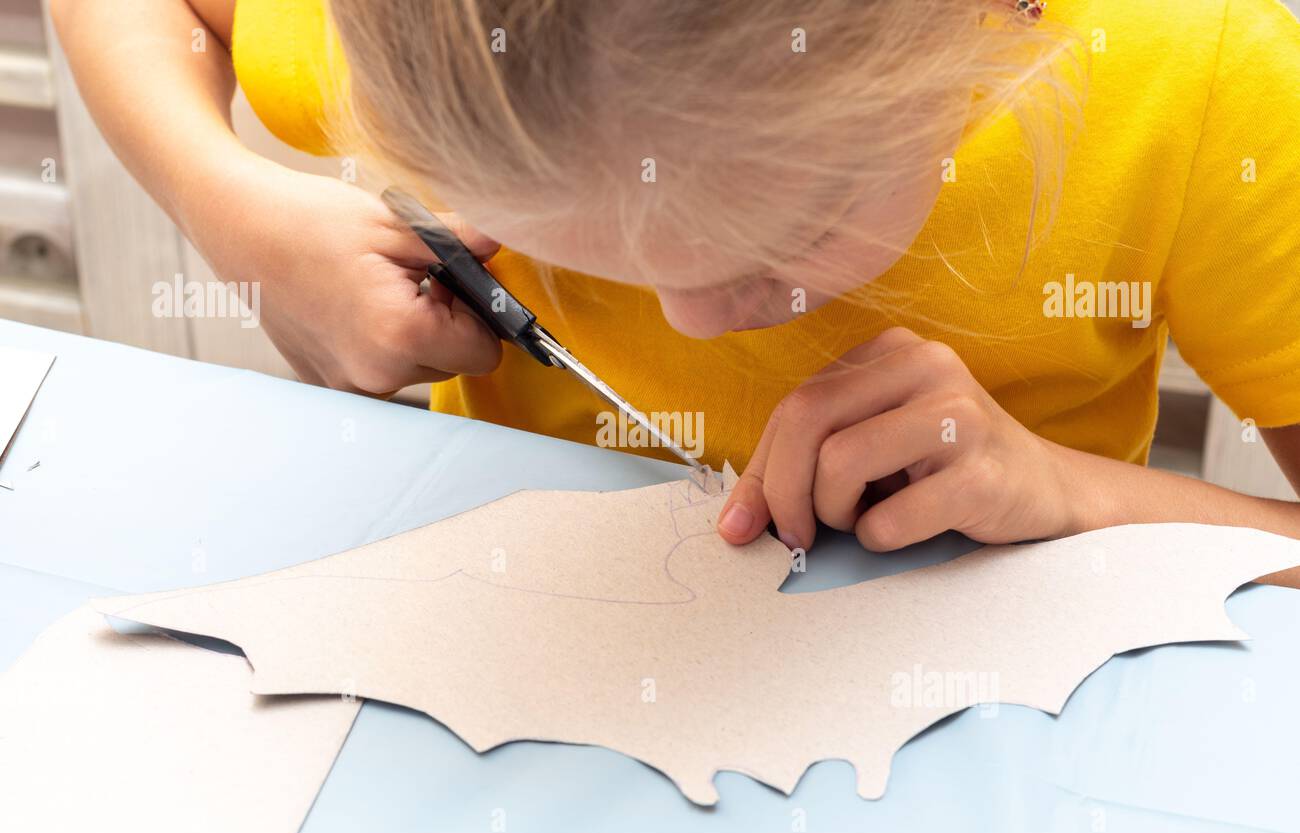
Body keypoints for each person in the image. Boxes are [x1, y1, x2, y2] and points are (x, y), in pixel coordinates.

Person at [51, 0, 1300, 584]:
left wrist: (1075, 492)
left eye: (793, 235)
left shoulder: (1206, 83)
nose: (694, 318)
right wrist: (233, 211)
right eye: (597, 260)